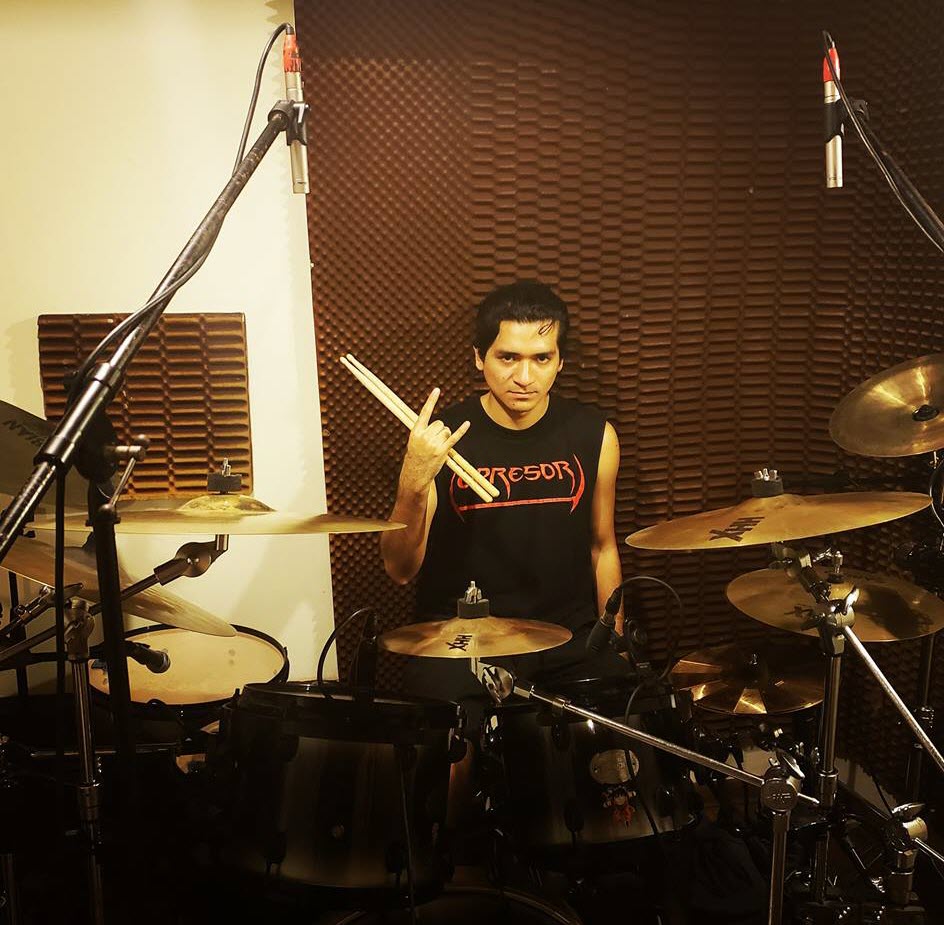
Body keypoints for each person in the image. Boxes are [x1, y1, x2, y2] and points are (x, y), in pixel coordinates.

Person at [380, 281, 625, 712]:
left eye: (541, 358)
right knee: (444, 732)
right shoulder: (442, 440)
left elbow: (602, 546)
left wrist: (615, 637)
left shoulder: (594, 435)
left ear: (560, 361)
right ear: (479, 357)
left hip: (568, 638)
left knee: (627, 721)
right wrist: (413, 478)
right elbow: (399, 569)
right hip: (461, 641)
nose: (524, 378)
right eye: (508, 357)